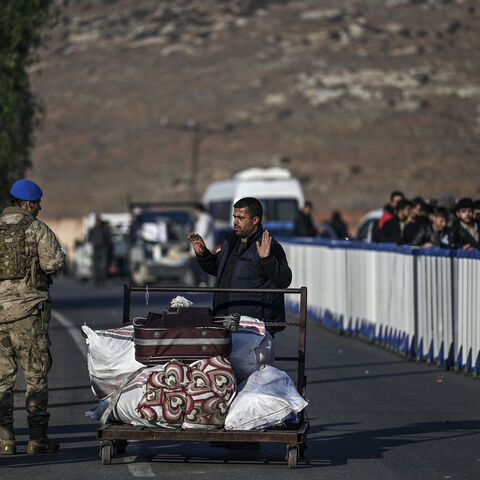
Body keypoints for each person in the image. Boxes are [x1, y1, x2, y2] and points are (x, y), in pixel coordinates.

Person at [0, 180, 66, 455]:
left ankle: (5, 441)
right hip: (28, 313)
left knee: (2, 380)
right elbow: (53, 263)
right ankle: (37, 439)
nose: (39, 208)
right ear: (28, 204)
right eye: (37, 203)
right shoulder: (37, 229)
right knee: (35, 376)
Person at [188, 197, 292, 336]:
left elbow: (284, 280)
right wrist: (203, 254)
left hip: (252, 326)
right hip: (224, 320)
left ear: (255, 220)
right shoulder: (230, 241)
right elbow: (217, 269)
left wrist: (267, 259)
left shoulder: (268, 246)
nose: (235, 221)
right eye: (234, 217)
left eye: (241, 218)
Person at [190, 203, 215, 286]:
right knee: (198, 266)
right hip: (202, 247)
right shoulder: (203, 218)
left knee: (199, 266)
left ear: (197, 210)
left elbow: (202, 233)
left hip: (203, 247)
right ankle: (200, 283)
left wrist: (193, 237)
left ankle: (201, 283)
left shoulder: (204, 218)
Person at [88, 216, 112, 286]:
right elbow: (89, 238)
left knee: (103, 266)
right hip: (96, 250)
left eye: (99, 222)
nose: (98, 223)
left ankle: (103, 280)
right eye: (97, 222)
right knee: (96, 266)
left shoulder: (104, 230)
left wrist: (107, 246)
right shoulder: (93, 230)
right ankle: (96, 281)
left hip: (103, 249)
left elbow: (109, 238)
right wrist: (92, 242)